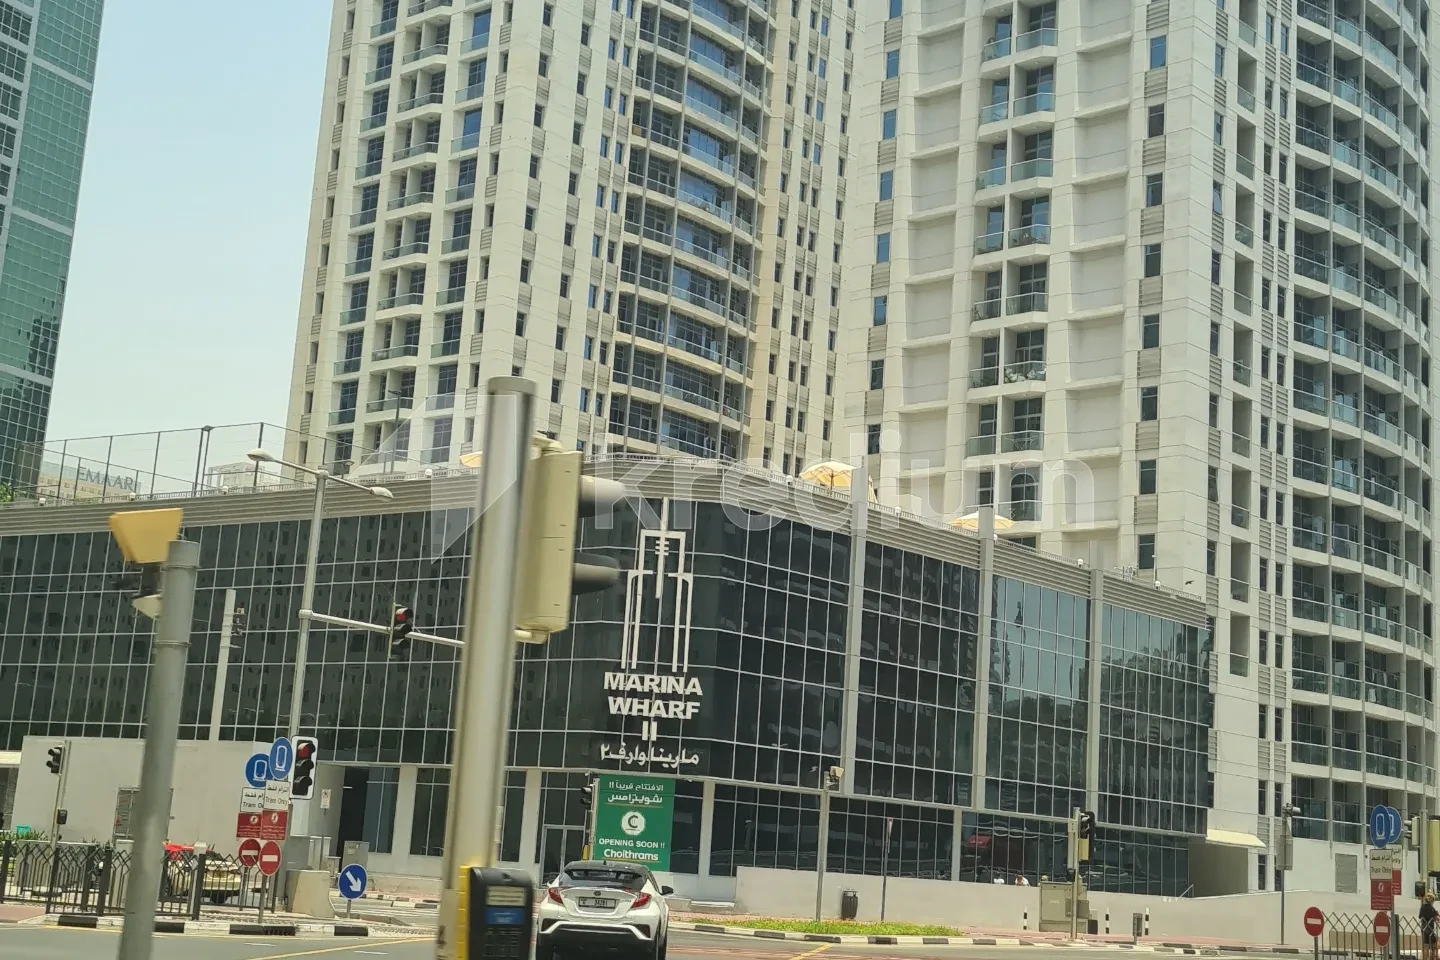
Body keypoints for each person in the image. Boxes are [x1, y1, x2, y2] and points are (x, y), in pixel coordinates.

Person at [1421, 891, 1438, 960]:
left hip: (1424, 929)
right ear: (1432, 900)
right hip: (1431, 930)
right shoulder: (1432, 908)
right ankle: (1434, 958)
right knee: (1434, 947)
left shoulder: (1422, 907)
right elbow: (1436, 917)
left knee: (1426, 947)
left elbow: (1420, 916)